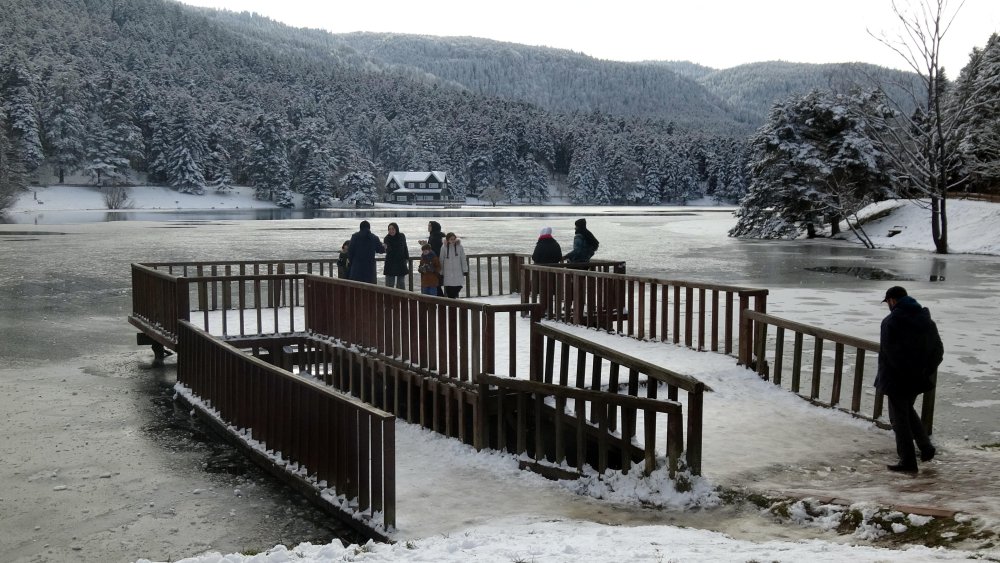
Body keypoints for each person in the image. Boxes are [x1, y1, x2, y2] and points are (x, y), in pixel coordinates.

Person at [876, 286, 943, 473]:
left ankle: (908, 461)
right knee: (907, 411)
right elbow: (938, 350)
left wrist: (902, 372)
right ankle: (926, 447)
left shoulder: (891, 322)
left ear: (892, 301)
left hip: (897, 378)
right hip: (918, 378)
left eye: (888, 302)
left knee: (899, 420)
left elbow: (890, 353)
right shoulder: (926, 321)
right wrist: (925, 370)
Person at [440, 232, 468, 298]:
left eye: (453, 239)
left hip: (458, 272)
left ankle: (453, 304)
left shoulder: (459, 247)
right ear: (447, 239)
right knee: (449, 291)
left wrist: (465, 270)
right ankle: (452, 306)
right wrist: (441, 272)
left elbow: (463, 259)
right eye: (451, 239)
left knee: (458, 286)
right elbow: (441, 260)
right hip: (447, 273)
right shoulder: (444, 247)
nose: (452, 241)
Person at [382, 222, 410, 289]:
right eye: (389, 229)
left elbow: (405, 248)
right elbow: (389, 251)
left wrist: (407, 258)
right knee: (389, 285)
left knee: (401, 284)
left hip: (401, 263)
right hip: (390, 264)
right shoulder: (386, 238)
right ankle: (389, 299)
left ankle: (402, 299)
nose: (391, 231)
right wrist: (385, 247)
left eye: (393, 229)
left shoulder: (402, 236)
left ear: (396, 229)